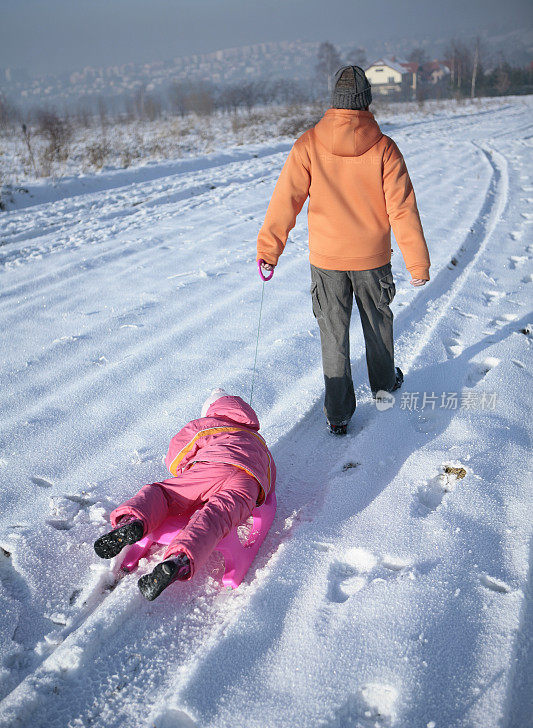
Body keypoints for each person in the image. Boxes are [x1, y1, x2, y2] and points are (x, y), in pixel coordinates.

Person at [256, 65, 430, 435]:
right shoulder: (385, 148)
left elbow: (286, 200)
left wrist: (269, 249)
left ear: (334, 102)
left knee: (333, 333)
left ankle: (338, 413)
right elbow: (402, 208)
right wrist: (417, 264)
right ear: (367, 102)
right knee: (377, 323)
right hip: (372, 259)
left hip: (327, 260)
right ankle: (384, 386)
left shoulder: (308, 144)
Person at [94, 390, 276, 600]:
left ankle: (133, 521)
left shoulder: (210, 424)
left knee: (166, 493)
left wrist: (183, 472)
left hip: (211, 468)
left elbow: (178, 451)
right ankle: (179, 561)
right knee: (215, 520)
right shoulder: (260, 443)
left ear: (211, 410)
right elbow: (269, 484)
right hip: (248, 484)